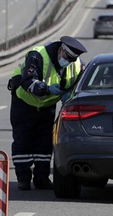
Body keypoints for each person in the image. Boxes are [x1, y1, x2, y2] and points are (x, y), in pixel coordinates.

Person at [8, 36, 87, 190]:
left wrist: (69, 95)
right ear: (60, 50)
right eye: (66, 57)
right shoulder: (37, 55)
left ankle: (42, 178)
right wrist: (46, 89)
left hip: (47, 106)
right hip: (24, 103)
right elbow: (27, 81)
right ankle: (23, 178)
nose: (68, 61)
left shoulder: (76, 64)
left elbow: (79, 83)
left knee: (44, 143)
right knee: (23, 141)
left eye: (72, 59)